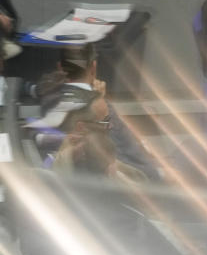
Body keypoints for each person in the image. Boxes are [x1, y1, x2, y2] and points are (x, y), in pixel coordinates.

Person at [28, 45, 159, 180]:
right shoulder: (98, 108)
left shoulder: (49, 96)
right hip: (132, 180)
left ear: (60, 67)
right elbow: (123, 151)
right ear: (94, 67)